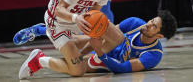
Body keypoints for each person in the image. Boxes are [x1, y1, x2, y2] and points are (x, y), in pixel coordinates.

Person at [19, 0, 122, 79]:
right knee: (78, 71)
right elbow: (59, 10)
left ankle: (84, 59)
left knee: (117, 37)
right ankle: (39, 60)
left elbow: (95, 12)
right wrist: (76, 18)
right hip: (58, 22)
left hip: (79, 19)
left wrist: (95, 31)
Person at [19, 10, 177, 79]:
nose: (148, 24)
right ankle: (41, 30)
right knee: (80, 42)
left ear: (159, 35)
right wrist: (93, 43)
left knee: (76, 68)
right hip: (104, 44)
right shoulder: (135, 23)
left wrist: (99, 53)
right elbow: (108, 32)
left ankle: (39, 60)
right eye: (151, 20)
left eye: (153, 26)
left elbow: (121, 69)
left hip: (108, 61)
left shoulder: (153, 55)